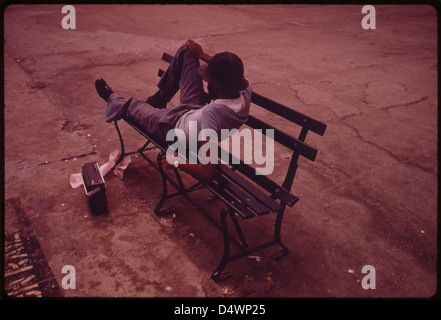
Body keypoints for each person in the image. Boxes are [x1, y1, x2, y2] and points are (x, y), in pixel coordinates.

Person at [95, 39, 251, 181]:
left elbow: (208, 171)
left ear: (216, 85)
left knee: (133, 106)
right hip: (194, 110)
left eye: (209, 78)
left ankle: (113, 99)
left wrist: (177, 161)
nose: (205, 79)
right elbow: (227, 72)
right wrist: (201, 55)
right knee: (186, 52)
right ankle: (158, 100)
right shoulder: (245, 91)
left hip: (172, 127)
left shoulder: (213, 114)